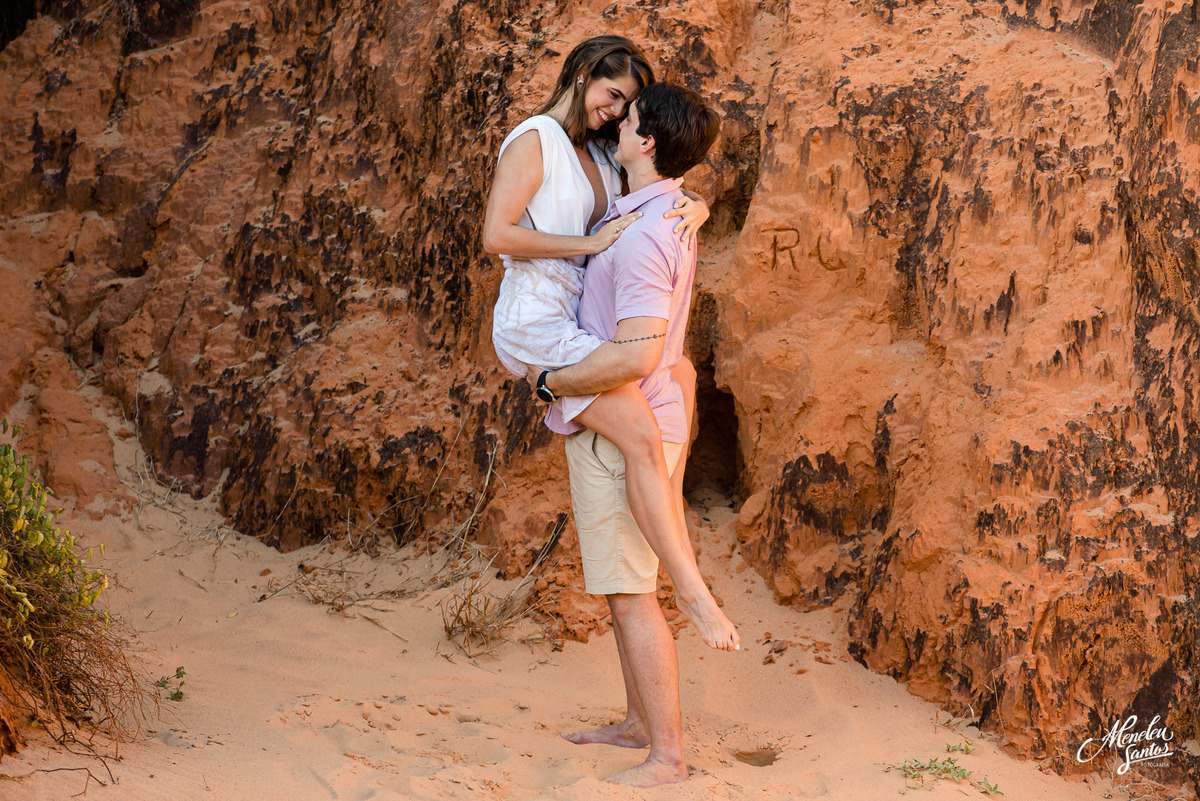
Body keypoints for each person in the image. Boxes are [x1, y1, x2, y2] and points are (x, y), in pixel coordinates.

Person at [482, 36, 739, 653]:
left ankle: (679, 581)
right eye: (611, 95)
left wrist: (695, 208)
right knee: (642, 435)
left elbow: (652, 181)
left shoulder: (601, 147)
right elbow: (498, 234)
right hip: (537, 316)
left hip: (573, 317)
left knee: (668, 397)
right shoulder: (536, 138)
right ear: (580, 76)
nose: (616, 112)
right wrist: (590, 248)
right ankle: (693, 592)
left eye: (627, 107)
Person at [528, 82, 725, 787]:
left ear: (645, 143)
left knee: (634, 591)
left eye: (630, 119)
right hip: (634, 417)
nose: (619, 122)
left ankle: (667, 754)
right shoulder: (662, 211)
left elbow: (640, 352)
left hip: (624, 421)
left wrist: (556, 380)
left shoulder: (645, 237)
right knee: (622, 585)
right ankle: (641, 723)